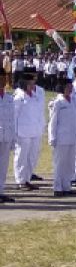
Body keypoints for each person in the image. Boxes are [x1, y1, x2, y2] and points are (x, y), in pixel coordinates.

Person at [11, 70, 42, 191]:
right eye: (29, 83)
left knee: (32, 156)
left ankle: (27, 178)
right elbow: (14, 116)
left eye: (33, 83)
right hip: (22, 132)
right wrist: (15, 133)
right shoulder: (18, 97)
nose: (32, 85)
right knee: (21, 156)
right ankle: (20, 180)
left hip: (35, 130)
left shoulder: (35, 96)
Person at [47, 79, 76, 197]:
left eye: (71, 86)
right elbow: (53, 121)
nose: (70, 88)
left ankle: (66, 186)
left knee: (70, 163)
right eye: (68, 86)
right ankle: (57, 187)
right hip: (61, 137)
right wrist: (52, 137)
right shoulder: (57, 102)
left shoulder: (73, 100)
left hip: (72, 136)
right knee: (59, 163)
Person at [0, 70, 13, 203]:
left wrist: (13, 137)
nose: (3, 81)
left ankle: (1, 191)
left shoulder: (9, 98)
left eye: (4, 78)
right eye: (0, 78)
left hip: (6, 135)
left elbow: (12, 118)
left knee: (3, 166)